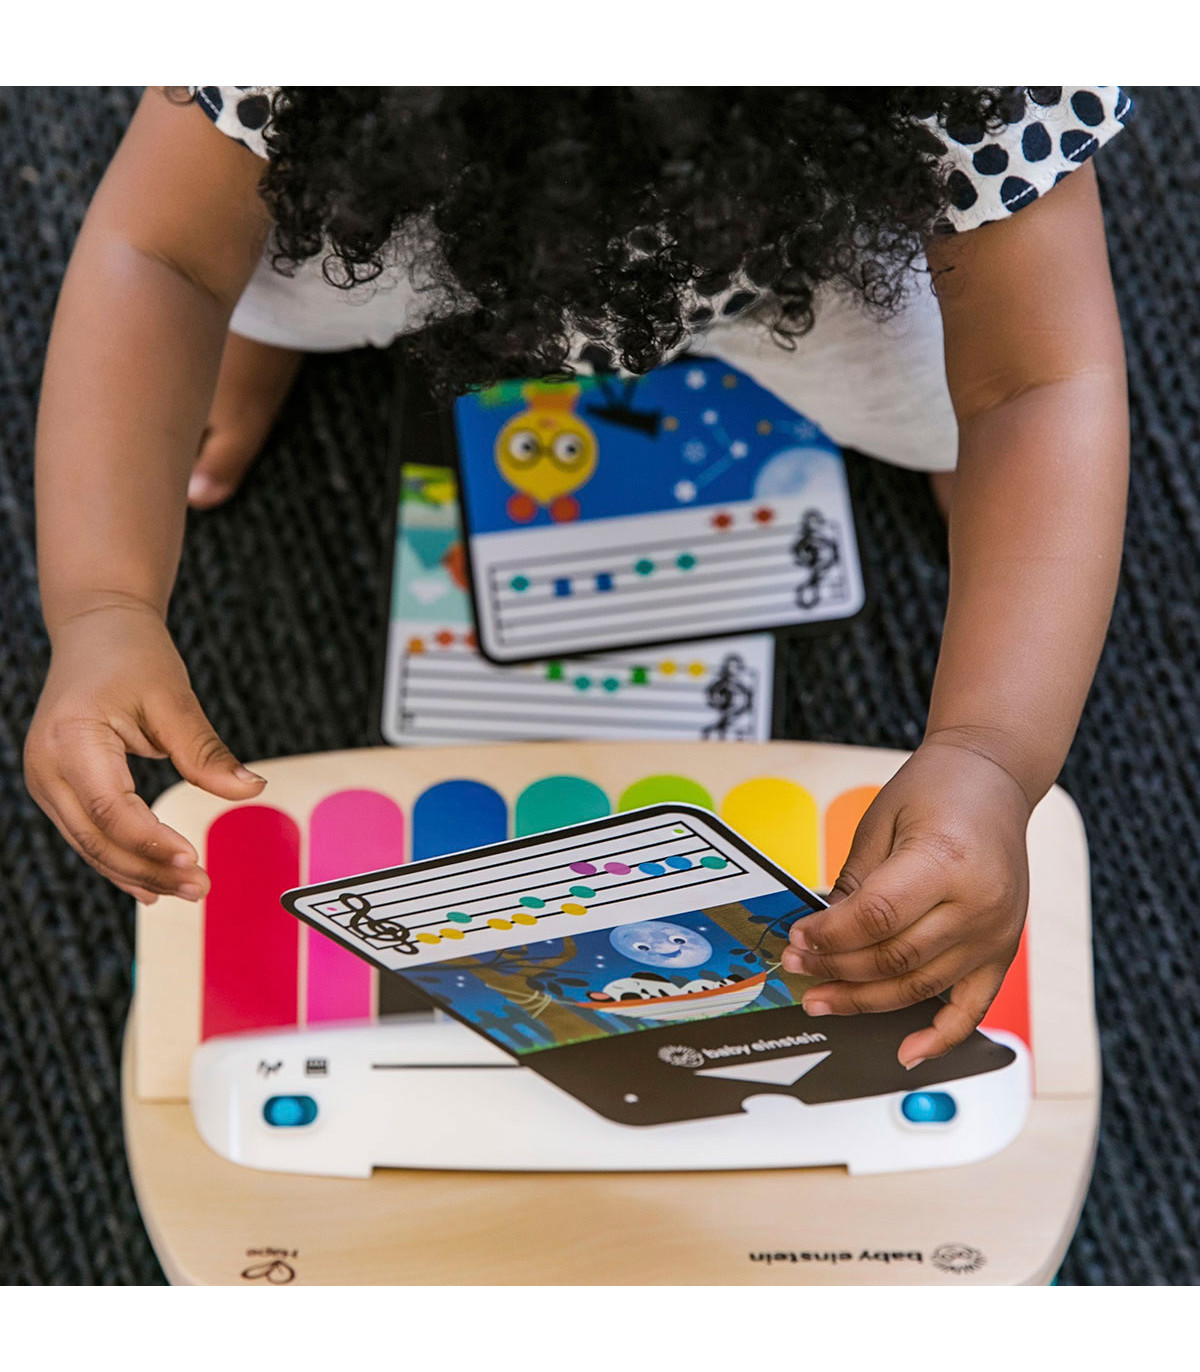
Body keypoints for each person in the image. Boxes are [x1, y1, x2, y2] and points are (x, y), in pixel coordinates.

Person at [24, 87, 1131, 1069]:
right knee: (250, 247)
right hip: (413, 221)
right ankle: (266, 311)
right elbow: (161, 256)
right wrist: (105, 601)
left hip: (804, 265)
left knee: (975, 399)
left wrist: (992, 750)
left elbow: (1035, 381)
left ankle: (953, 445)